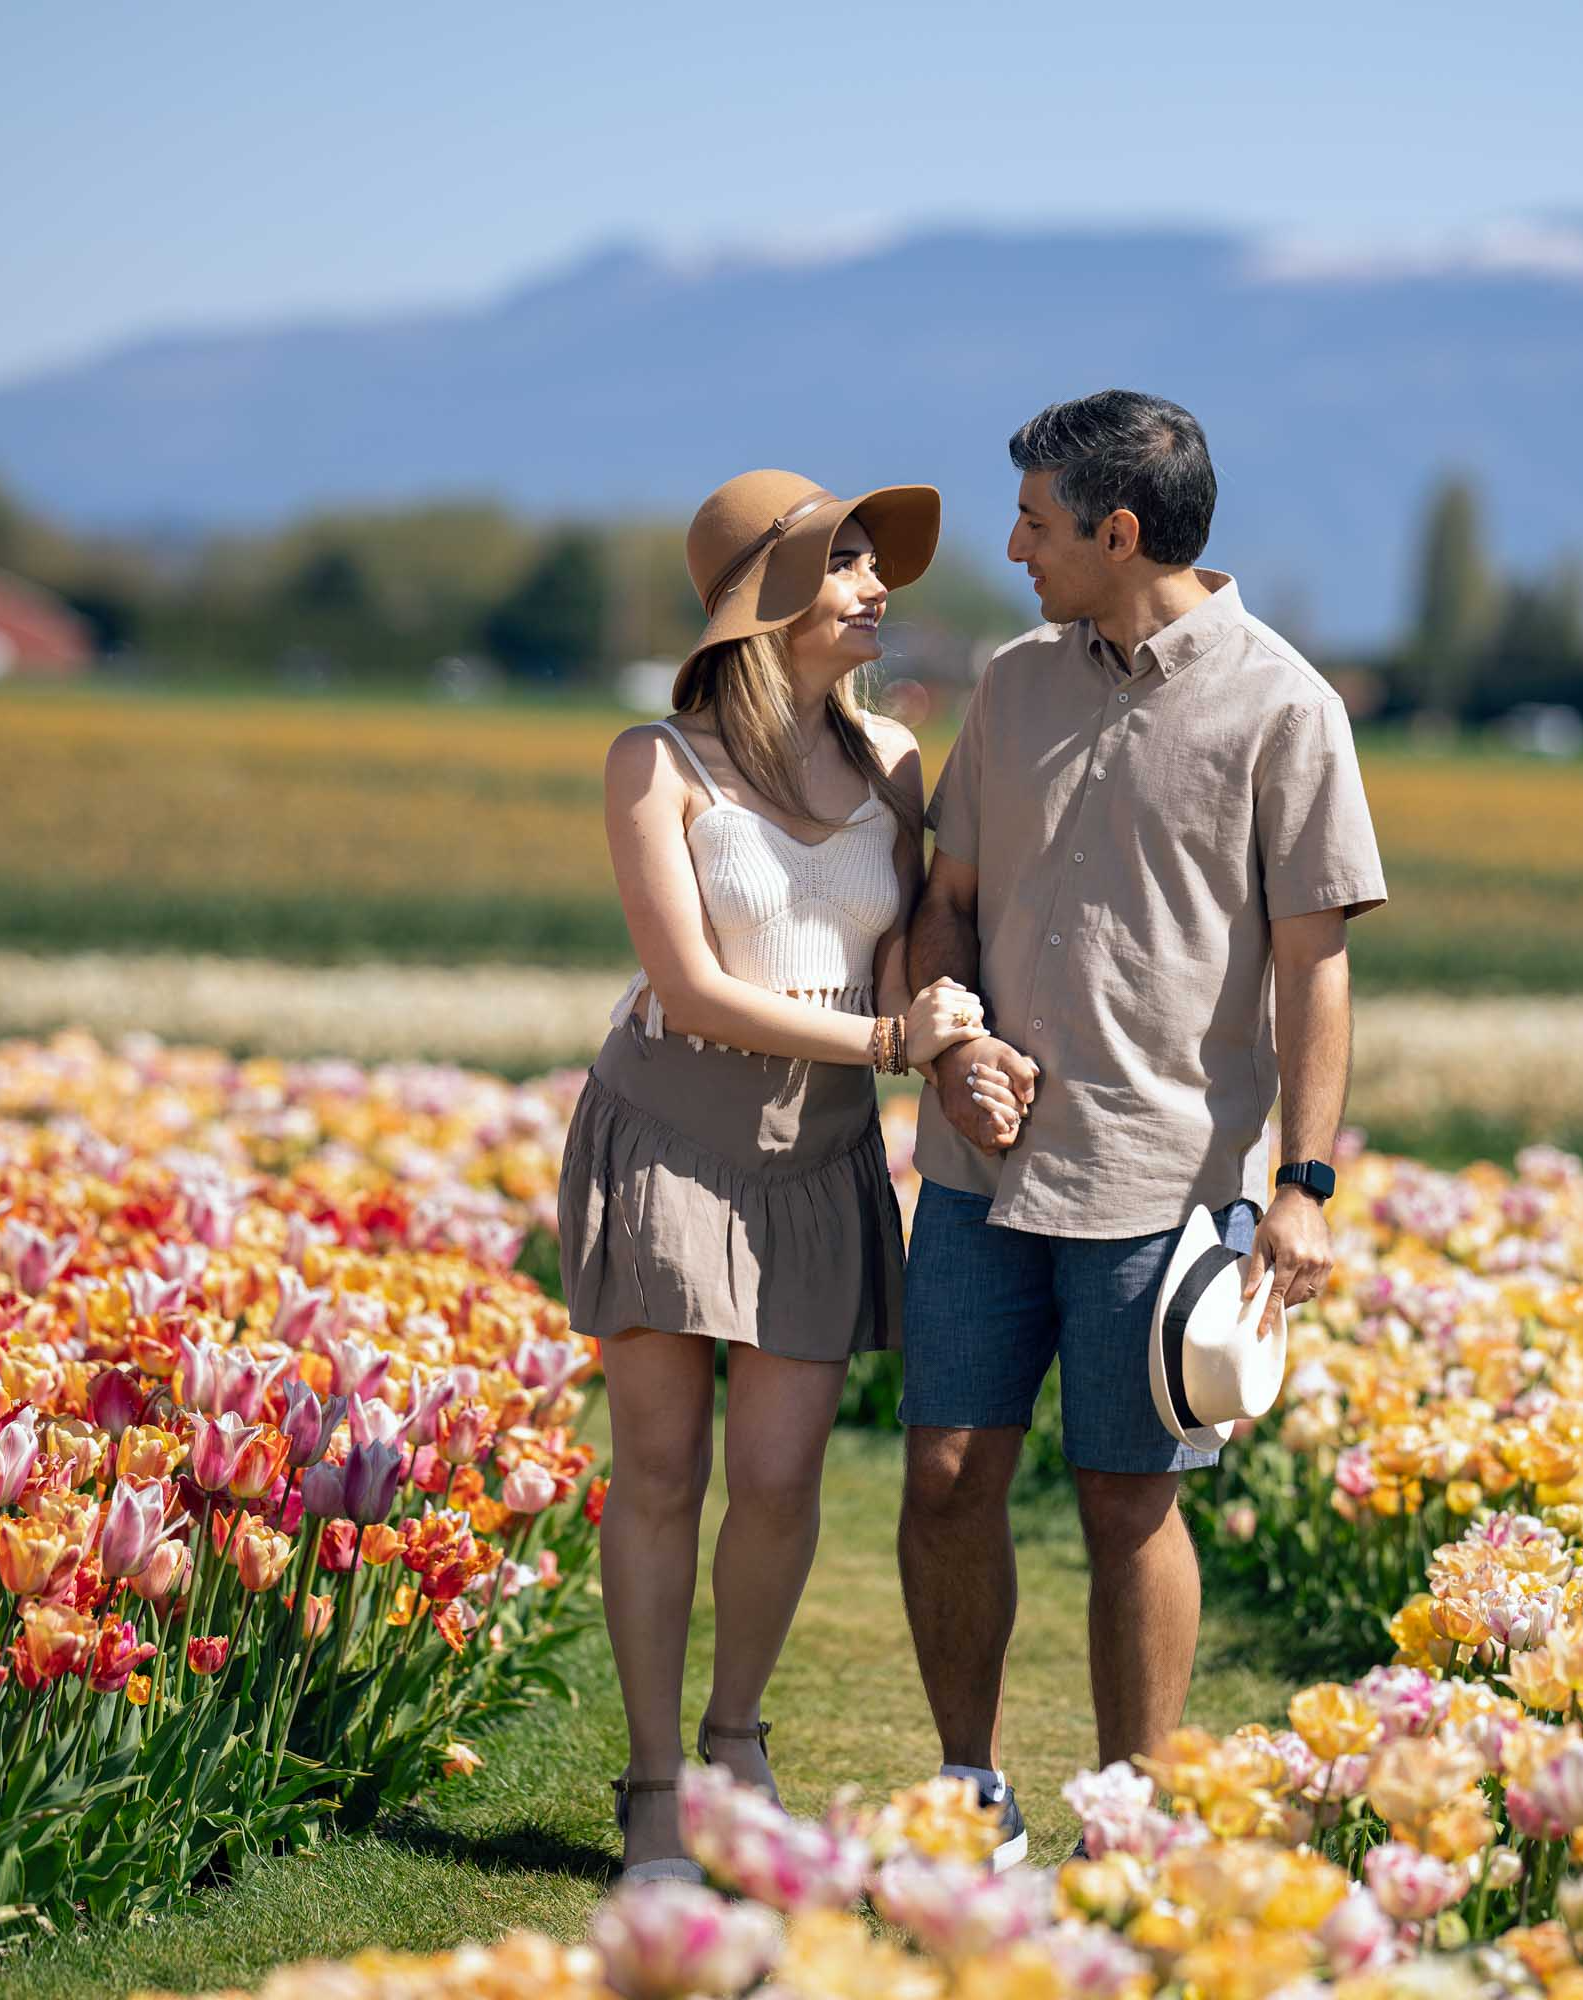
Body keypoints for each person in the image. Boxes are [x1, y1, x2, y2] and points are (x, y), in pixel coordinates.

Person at [897, 391, 1389, 1862]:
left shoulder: (1285, 708)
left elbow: (1319, 971)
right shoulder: (1011, 682)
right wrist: (950, 1042)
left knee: (1126, 1504)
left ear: (1120, 533)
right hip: (980, 1168)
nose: (1013, 548)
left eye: (1038, 524)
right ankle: (969, 1790)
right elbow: (948, 907)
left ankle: (1132, 1826)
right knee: (943, 1479)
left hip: (1165, 1186)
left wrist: (1300, 1185)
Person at [561, 468, 991, 1884]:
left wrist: (938, 1024)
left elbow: (898, 953)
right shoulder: (658, 764)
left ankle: (735, 1744)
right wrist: (886, 1037)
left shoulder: (893, 767)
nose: (880, 588)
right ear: (773, 602)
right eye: (849, 565)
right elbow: (686, 984)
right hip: (670, 1133)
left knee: (785, 1475)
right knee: (663, 1472)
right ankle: (649, 1788)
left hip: (818, 1153)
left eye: (877, 563)